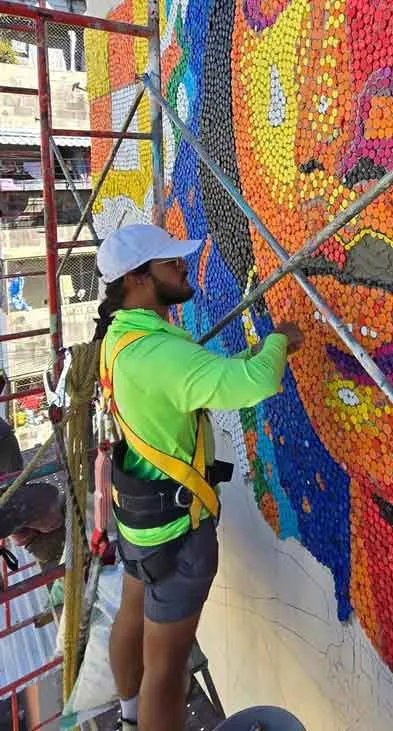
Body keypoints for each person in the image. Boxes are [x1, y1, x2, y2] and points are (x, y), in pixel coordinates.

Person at [94, 223, 302, 731]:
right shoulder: (158, 354)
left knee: (132, 609)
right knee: (166, 672)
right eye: (171, 263)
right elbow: (255, 383)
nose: (184, 266)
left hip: (140, 522)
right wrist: (279, 341)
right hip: (176, 532)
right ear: (138, 279)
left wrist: (241, 362)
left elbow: (192, 384)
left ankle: (126, 717)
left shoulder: (121, 338)